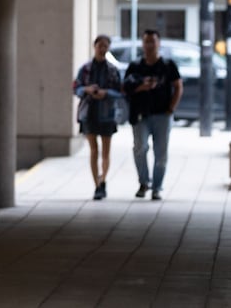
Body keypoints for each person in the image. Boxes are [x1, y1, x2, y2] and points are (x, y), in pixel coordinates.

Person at [122, 29, 182, 201]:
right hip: (140, 114)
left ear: (158, 43)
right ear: (142, 44)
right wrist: (142, 87)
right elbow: (125, 88)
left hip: (162, 115)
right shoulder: (135, 66)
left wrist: (171, 108)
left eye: (152, 41)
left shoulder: (167, 65)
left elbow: (178, 86)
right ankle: (143, 182)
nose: (149, 45)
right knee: (139, 148)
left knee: (161, 153)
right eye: (146, 41)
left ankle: (157, 187)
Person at [73, 35, 124, 200]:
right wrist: (87, 90)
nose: (102, 49)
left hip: (107, 113)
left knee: (106, 151)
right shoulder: (85, 69)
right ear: (94, 46)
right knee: (93, 150)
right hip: (89, 113)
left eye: (105, 46)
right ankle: (97, 185)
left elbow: (120, 92)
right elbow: (76, 88)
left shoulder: (112, 70)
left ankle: (103, 180)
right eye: (99, 46)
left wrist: (105, 93)